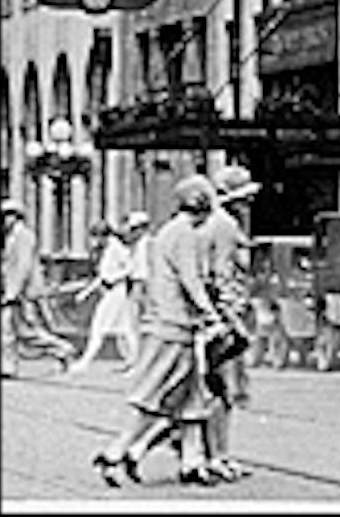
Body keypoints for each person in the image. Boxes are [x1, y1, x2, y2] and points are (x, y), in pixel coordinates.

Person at [92, 175, 225, 486]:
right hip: (173, 325)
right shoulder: (185, 234)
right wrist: (211, 314)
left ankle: (191, 462)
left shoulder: (168, 232)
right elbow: (190, 278)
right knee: (157, 394)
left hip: (173, 324)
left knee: (192, 397)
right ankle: (115, 452)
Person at [201, 164, 262, 482]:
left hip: (225, 314)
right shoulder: (224, 225)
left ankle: (217, 454)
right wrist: (232, 319)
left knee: (223, 389)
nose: (249, 203)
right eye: (244, 197)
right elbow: (221, 274)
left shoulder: (222, 223)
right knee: (222, 389)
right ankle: (216, 455)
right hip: (225, 318)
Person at [2, 197, 75, 376]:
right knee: (13, 330)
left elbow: (24, 266)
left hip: (24, 292)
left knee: (24, 331)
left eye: (7, 215)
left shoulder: (24, 236)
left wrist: (12, 292)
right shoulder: (11, 237)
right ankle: (9, 365)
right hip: (15, 291)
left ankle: (63, 349)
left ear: (16, 216)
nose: (4, 220)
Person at [73, 214, 147, 371]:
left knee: (99, 326)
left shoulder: (116, 248)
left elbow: (130, 267)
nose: (94, 241)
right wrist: (85, 293)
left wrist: (114, 278)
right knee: (125, 329)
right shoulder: (108, 249)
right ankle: (135, 362)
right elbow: (102, 276)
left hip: (116, 291)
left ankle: (85, 362)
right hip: (112, 291)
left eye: (96, 236)